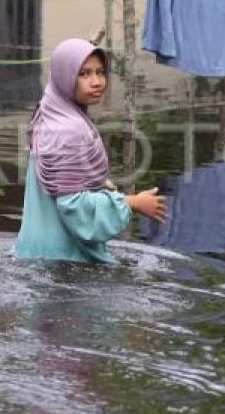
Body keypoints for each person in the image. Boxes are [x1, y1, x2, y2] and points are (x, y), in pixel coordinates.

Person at [15, 38, 167, 263]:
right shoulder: (71, 130)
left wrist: (97, 182)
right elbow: (73, 205)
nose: (96, 82)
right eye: (84, 74)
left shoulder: (49, 113)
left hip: (33, 251)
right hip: (64, 260)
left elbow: (58, 177)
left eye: (100, 72)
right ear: (65, 76)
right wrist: (133, 202)